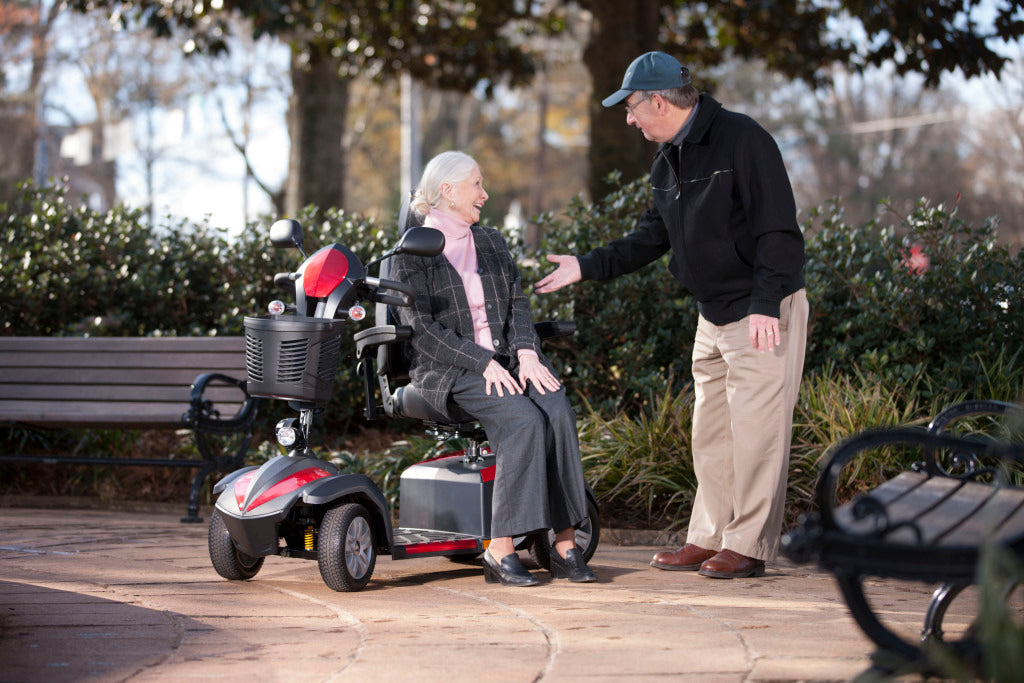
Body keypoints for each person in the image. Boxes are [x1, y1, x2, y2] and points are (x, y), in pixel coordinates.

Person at [536, 52, 808, 579]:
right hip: (712, 315)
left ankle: (748, 544)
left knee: (757, 433)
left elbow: (778, 230)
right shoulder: (668, 159)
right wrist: (585, 266)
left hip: (760, 309)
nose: (630, 119)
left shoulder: (743, 140)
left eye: (632, 108)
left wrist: (764, 304)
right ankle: (707, 537)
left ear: (658, 100)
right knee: (711, 435)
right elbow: (651, 237)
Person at [389, 150, 596, 587]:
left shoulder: (492, 241)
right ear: (447, 191)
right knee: (522, 420)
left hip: (505, 359)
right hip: (450, 369)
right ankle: (499, 550)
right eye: (477, 185)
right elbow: (423, 332)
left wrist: (526, 353)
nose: (485, 193)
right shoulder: (411, 253)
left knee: (555, 407)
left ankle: (563, 544)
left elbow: (518, 305)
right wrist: (481, 361)